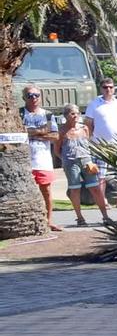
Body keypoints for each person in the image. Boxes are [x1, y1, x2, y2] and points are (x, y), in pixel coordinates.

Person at [55, 105, 112, 228]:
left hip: (87, 161)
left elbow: (88, 143)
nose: (75, 116)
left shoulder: (84, 129)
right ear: (66, 116)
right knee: (75, 189)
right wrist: (65, 161)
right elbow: (57, 149)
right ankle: (80, 218)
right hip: (71, 162)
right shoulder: (62, 131)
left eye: (77, 113)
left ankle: (105, 216)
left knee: (95, 188)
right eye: (72, 114)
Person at [20, 87, 59, 232]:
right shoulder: (18, 114)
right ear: (24, 97)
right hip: (22, 160)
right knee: (22, 191)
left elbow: (55, 136)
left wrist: (31, 133)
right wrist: (41, 131)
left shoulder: (47, 115)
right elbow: (18, 132)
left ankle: (49, 221)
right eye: (30, 95)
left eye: (37, 95)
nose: (34, 98)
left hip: (42, 159)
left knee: (46, 191)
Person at [85, 78, 117, 145]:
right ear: (101, 89)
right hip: (100, 146)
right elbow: (88, 125)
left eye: (111, 87)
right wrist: (91, 141)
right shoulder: (93, 104)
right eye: (105, 87)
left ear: (114, 88)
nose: (108, 89)